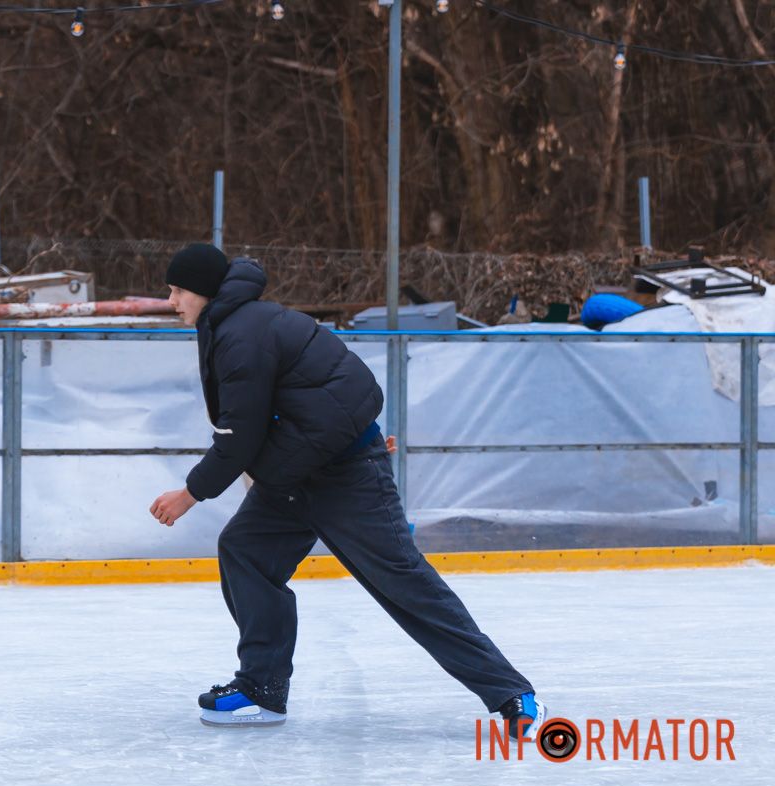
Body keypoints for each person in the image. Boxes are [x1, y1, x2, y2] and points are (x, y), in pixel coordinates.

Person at [148, 243, 546, 735]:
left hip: (344, 474)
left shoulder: (242, 333)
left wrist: (190, 493)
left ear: (206, 291)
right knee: (245, 550)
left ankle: (513, 694)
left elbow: (242, 431)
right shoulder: (234, 325)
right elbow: (302, 397)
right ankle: (262, 689)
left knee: (402, 582)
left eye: (178, 290)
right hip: (295, 473)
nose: (171, 300)